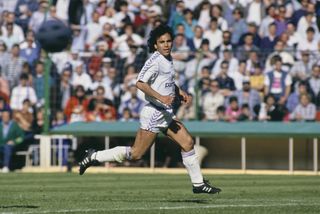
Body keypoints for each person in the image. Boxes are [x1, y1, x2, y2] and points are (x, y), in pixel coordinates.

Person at [79, 24, 221, 194]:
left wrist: (179, 91)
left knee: (188, 143)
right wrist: (161, 98)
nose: (167, 44)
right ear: (155, 45)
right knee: (136, 154)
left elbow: (167, 81)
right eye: (162, 42)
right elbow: (139, 83)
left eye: (169, 41)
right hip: (154, 113)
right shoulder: (154, 61)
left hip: (166, 113)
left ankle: (198, 184)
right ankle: (93, 156)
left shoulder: (168, 58)